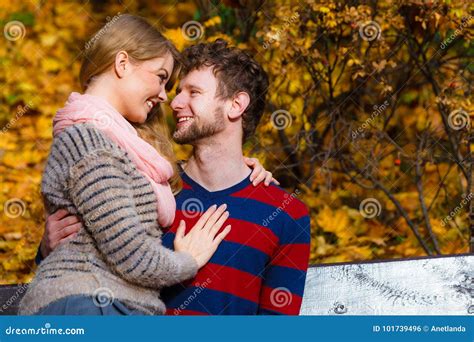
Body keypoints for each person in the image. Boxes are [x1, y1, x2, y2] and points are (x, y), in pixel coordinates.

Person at [44, 38, 311, 315]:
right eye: (177, 90)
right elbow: (85, 274)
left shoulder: (285, 214)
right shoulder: (149, 187)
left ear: (236, 105)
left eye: (193, 92)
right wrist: (48, 247)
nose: (175, 102)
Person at [19, 14, 236, 316]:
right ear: (122, 64)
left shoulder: (125, 148)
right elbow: (131, 254)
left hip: (115, 307)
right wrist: (189, 260)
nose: (164, 95)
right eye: (161, 77)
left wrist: (242, 167)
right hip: (88, 304)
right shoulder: (88, 142)